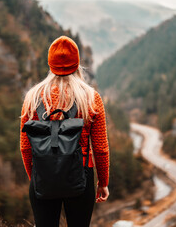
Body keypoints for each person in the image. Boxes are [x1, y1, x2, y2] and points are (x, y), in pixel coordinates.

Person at [20, 35, 110, 227]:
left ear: (50, 63)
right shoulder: (91, 98)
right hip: (81, 176)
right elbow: (100, 148)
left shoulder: (32, 98)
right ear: (77, 64)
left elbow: (25, 148)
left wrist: (36, 177)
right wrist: (103, 182)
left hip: (42, 176)